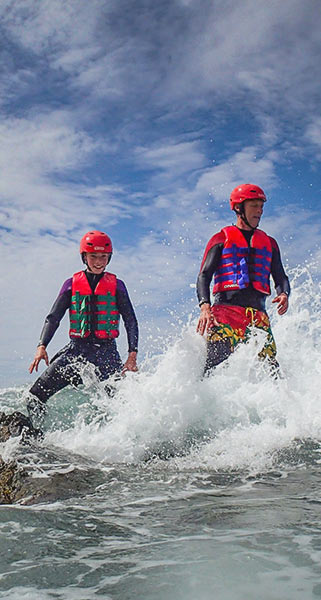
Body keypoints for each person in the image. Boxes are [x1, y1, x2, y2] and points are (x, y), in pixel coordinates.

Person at [27, 230, 138, 429]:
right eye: (93, 256)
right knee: (35, 396)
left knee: (122, 405)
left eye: (103, 257)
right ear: (84, 257)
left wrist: (132, 355)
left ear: (109, 258)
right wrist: (42, 345)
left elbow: (130, 320)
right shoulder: (71, 285)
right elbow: (53, 318)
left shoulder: (117, 286)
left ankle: (118, 446)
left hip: (107, 354)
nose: (98, 261)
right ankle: (37, 439)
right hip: (76, 352)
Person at [196, 184, 290, 375]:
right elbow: (204, 276)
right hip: (225, 314)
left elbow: (280, 277)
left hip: (258, 317)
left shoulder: (270, 243)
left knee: (271, 372)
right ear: (239, 208)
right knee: (213, 367)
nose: (259, 211)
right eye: (254, 205)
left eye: (261, 207)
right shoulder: (220, 239)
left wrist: (284, 294)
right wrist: (205, 307)